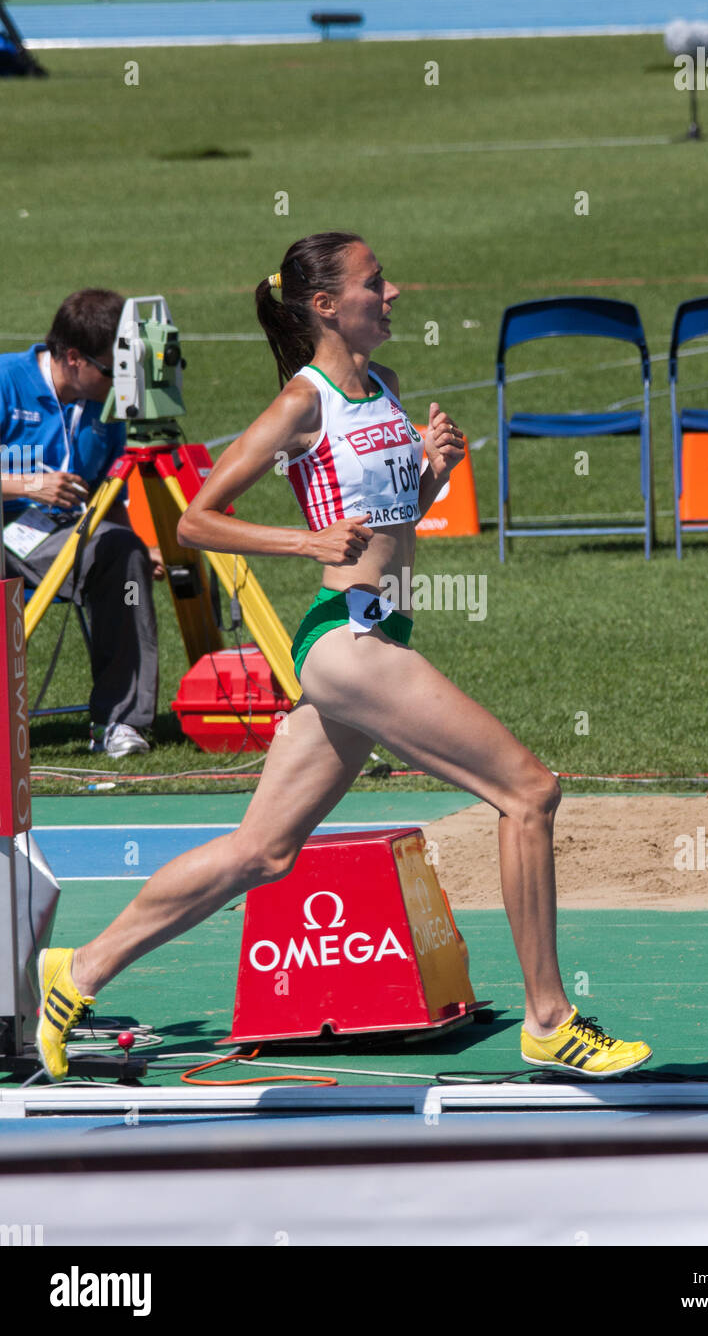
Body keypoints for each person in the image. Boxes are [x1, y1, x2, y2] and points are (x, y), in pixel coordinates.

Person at [36, 234, 653, 1081]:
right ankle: (549, 1019)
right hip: (346, 642)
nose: (393, 292)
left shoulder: (387, 390)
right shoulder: (304, 400)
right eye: (375, 283)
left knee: (264, 852)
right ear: (325, 305)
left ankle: (78, 971)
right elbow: (197, 520)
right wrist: (304, 538)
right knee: (530, 793)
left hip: (382, 636)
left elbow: (392, 518)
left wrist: (432, 471)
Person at [0, 289, 163, 757]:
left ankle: (118, 722)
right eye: (115, 370)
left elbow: (109, 492)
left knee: (123, 553)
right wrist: (29, 486)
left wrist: (140, 543)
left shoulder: (105, 408)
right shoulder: (7, 381)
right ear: (73, 358)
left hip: (56, 537)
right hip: (9, 529)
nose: (123, 382)